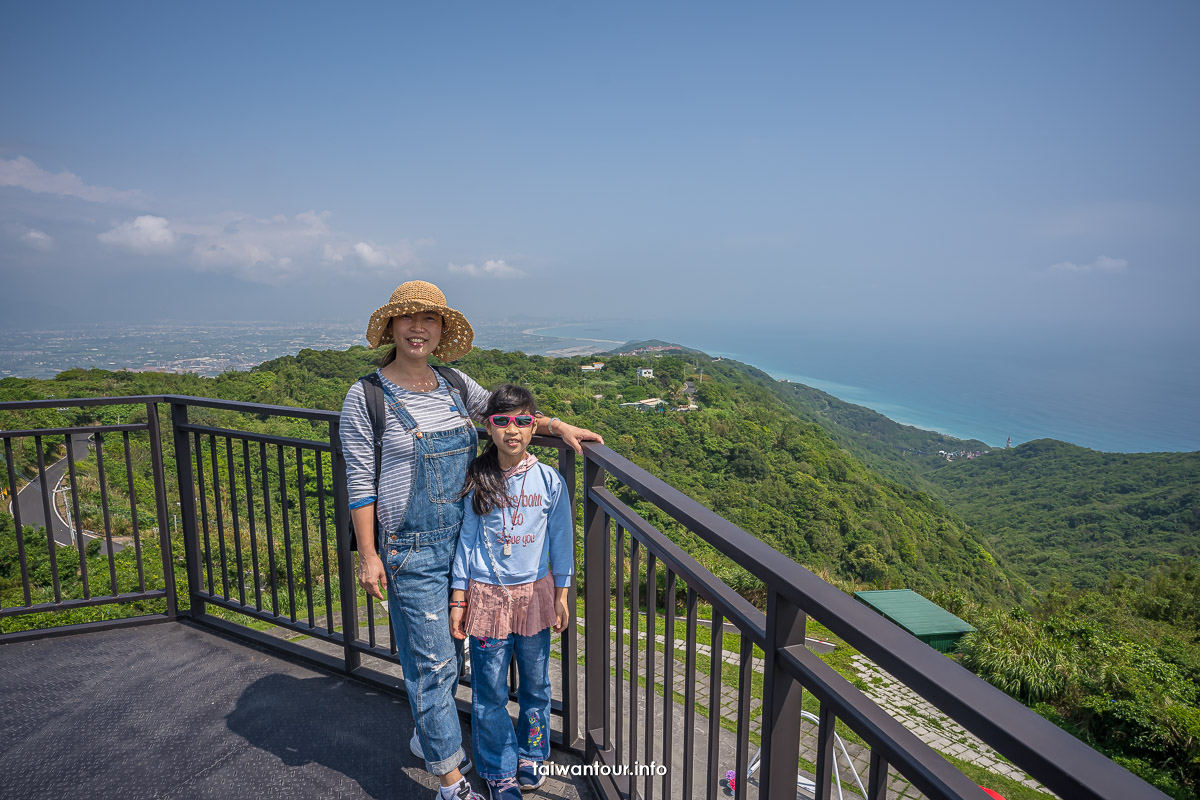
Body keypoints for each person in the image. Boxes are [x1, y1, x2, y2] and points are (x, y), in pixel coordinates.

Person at [341, 281, 601, 800]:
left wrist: (554, 425)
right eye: (409, 319)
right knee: (435, 664)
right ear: (392, 328)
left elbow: (502, 415)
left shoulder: (455, 383)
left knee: (453, 658)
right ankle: (451, 782)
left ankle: (430, 733)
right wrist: (368, 556)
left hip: (466, 545)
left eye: (430, 320)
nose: (419, 328)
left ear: (441, 331)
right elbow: (360, 479)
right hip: (410, 550)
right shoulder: (366, 397)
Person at [450, 385, 572, 800]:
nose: (512, 430)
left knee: (536, 686)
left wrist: (562, 594)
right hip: (486, 599)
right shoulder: (479, 477)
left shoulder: (549, 480)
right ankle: (498, 769)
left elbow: (561, 541)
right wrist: (458, 596)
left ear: (534, 426)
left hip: (535, 597)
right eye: (502, 421)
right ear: (489, 427)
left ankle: (532, 753)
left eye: (522, 420)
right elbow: (466, 540)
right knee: (490, 692)